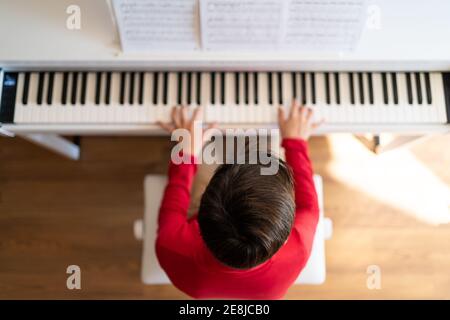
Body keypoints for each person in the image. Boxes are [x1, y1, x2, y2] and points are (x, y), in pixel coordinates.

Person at [156, 100, 322, 299]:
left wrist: (186, 152)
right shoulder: (298, 250)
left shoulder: (171, 245)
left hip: (201, 271)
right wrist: (295, 143)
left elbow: (174, 202)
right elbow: (309, 208)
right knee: (268, 142)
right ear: (286, 233)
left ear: (204, 207)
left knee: (208, 159)